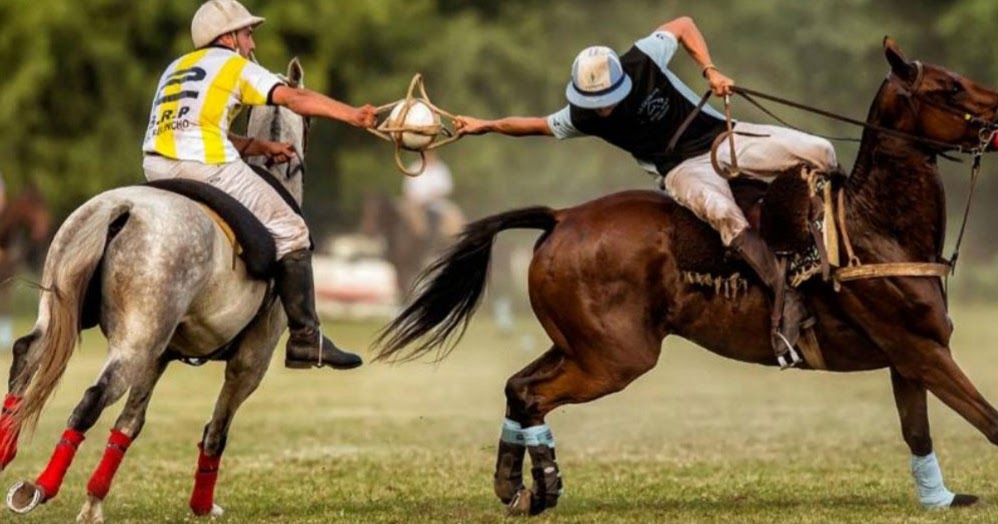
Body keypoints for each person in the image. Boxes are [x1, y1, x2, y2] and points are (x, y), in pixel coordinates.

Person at [454, 16, 838, 367]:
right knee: (723, 213)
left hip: (722, 136)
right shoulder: (581, 115)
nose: (602, 110)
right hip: (680, 169)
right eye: (595, 104)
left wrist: (710, 71)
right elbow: (535, 125)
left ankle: (849, 244)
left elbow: (685, 25)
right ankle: (786, 299)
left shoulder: (642, 59)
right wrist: (484, 125)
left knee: (821, 151)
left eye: (607, 100)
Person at [141, 0, 377, 370]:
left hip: (156, 168)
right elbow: (293, 98)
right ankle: (305, 339)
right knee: (292, 229)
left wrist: (259, 146)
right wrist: (353, 115)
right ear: (229, 37)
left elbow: (195, 128)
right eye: (248, 34)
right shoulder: (233, 66)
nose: (252, 44)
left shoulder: (176, 67)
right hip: (206, 167)